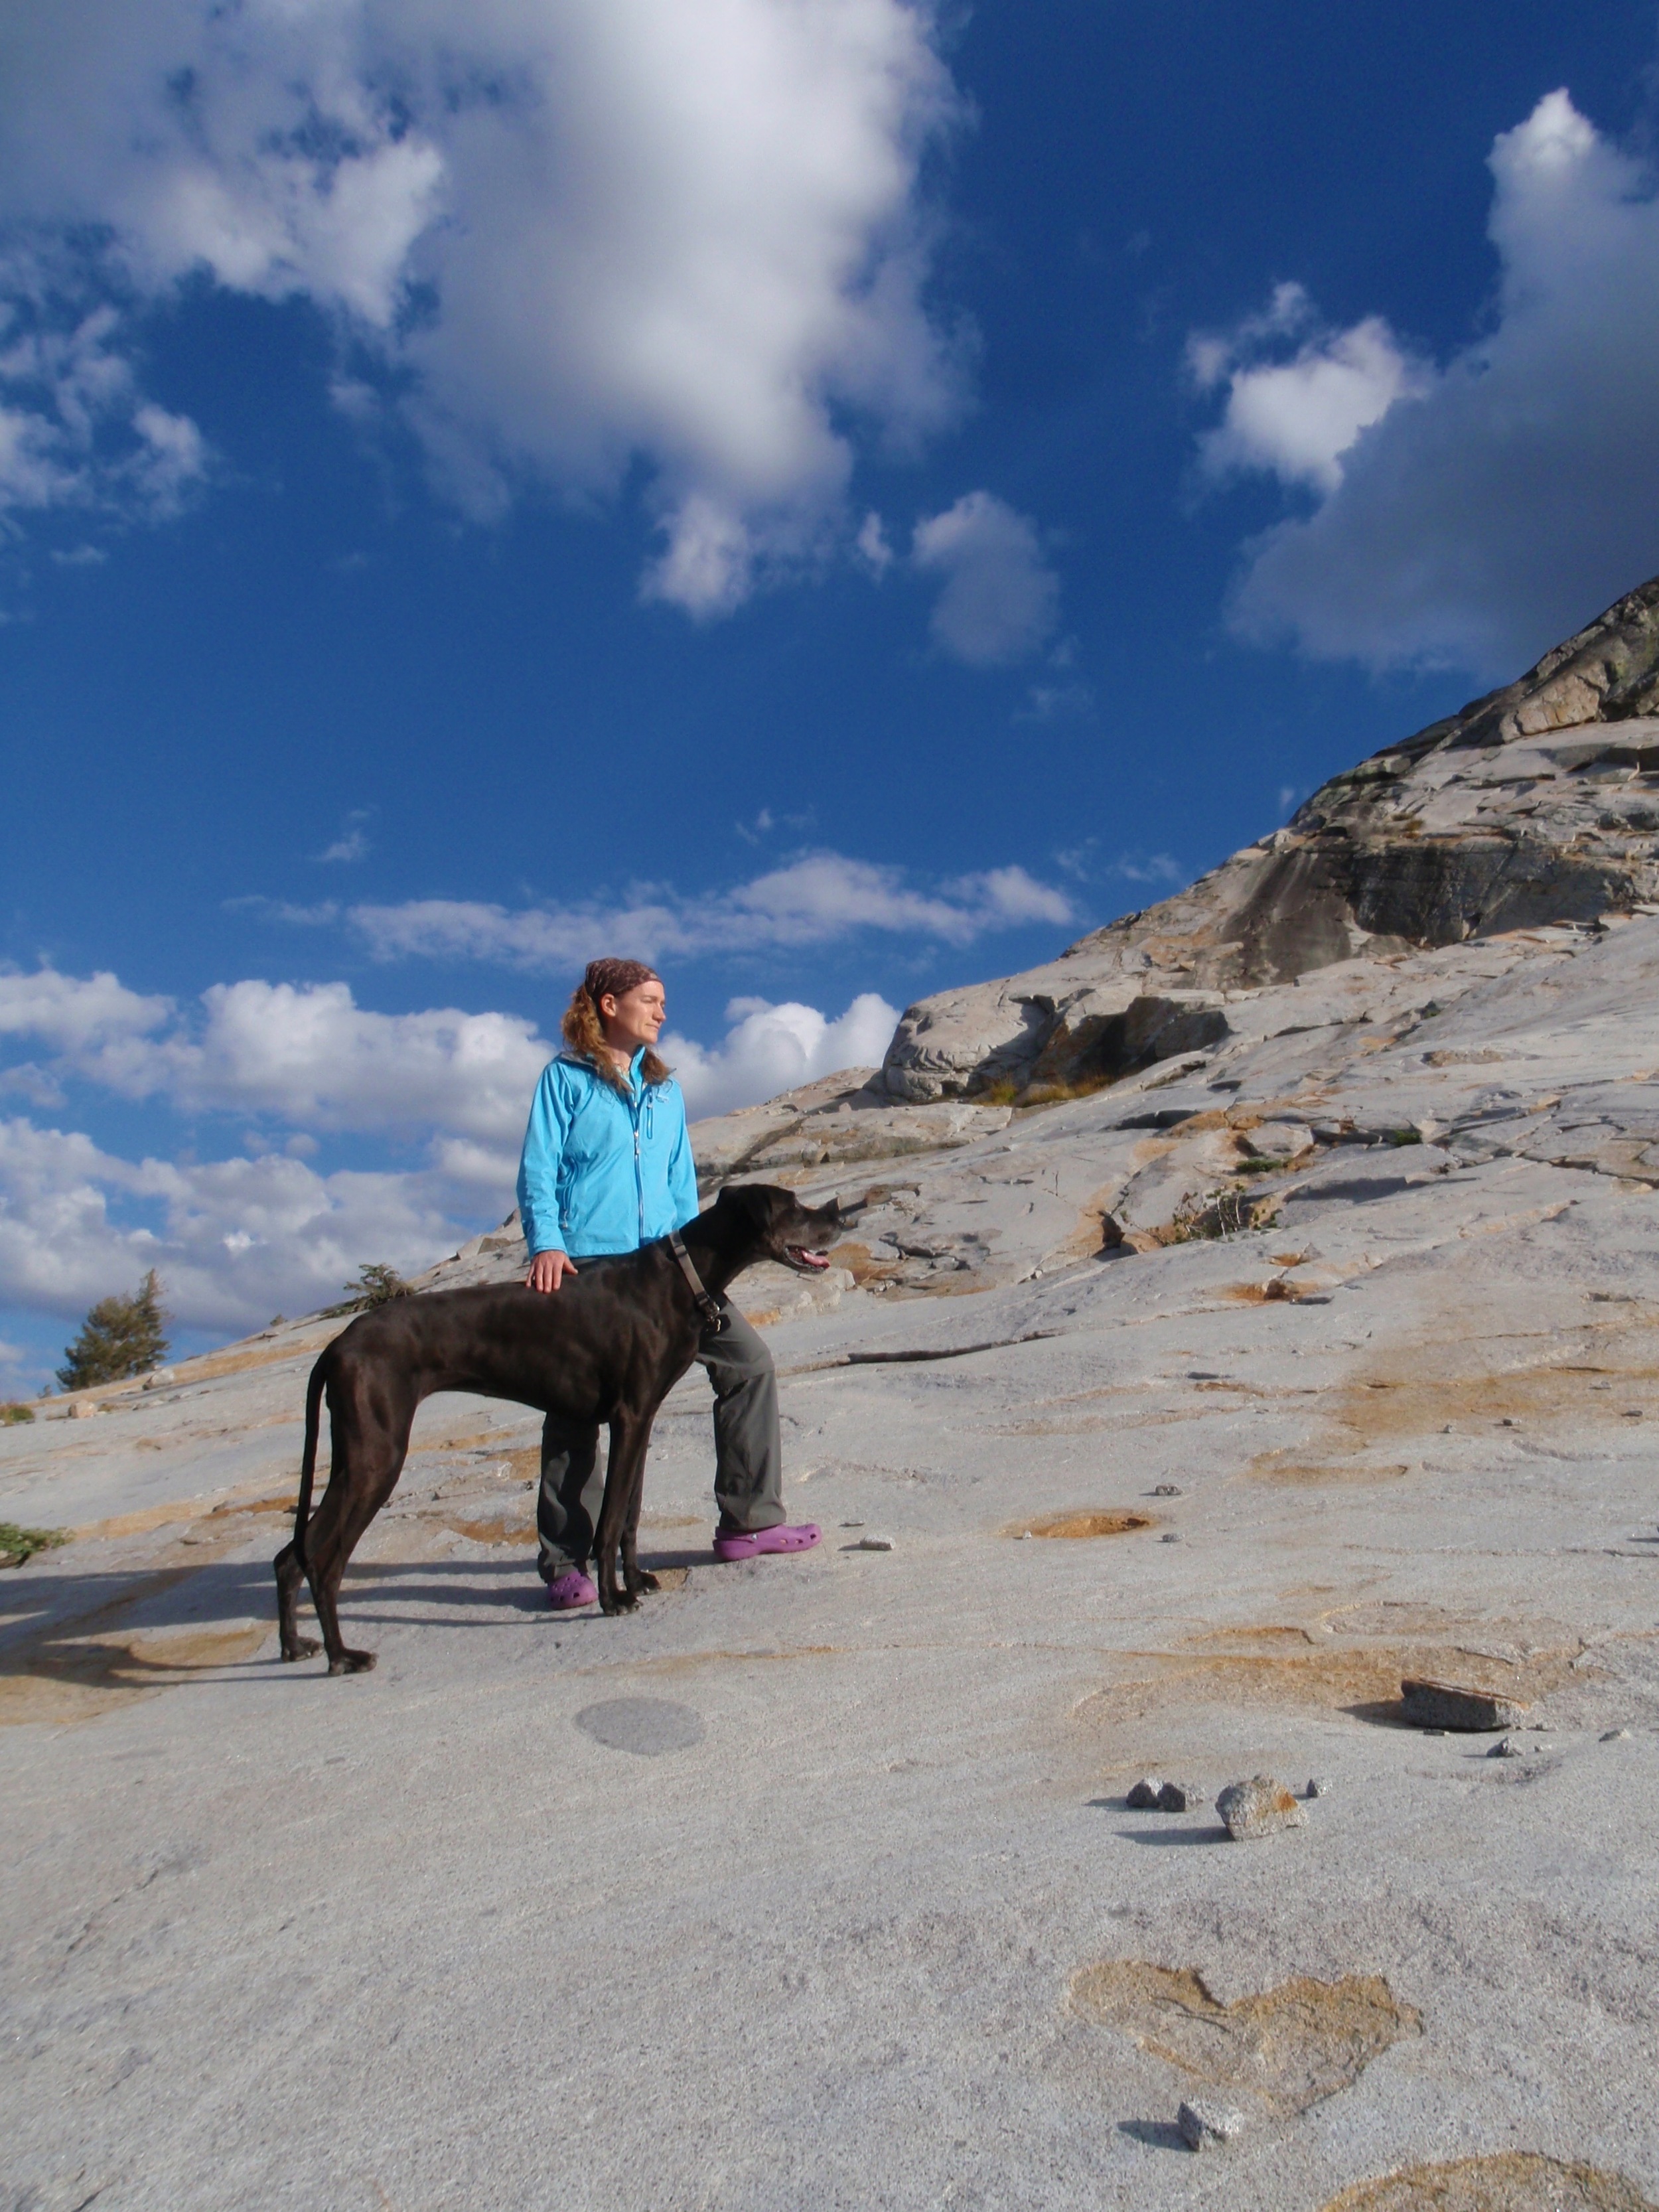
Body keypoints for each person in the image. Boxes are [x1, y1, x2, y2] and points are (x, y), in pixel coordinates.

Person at [516, 956, 821, 1609]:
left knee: (748, 1363)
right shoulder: (564, 1079)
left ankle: (751, 1521)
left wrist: (703, 1264)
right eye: (649, 1000)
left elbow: (682, 1184)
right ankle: (569, 1560)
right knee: (576, 1407)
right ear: (607, 1005)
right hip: (590, 1265)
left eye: (662, 1001)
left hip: (670, 1266)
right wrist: (546, 1241)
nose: (661, 1011)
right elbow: (540, 1166)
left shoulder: (665, 1089)